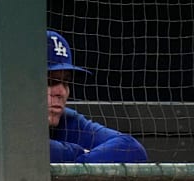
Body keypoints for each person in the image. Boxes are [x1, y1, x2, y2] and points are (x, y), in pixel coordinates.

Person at [47, 30, 148, 163]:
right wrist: (77, 152)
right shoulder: (10, 127)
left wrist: (79, 166)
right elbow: (31, 151)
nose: (61, 92)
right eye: (51, 81)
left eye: (66, 82)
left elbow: (131, 149)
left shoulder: (68, 122)